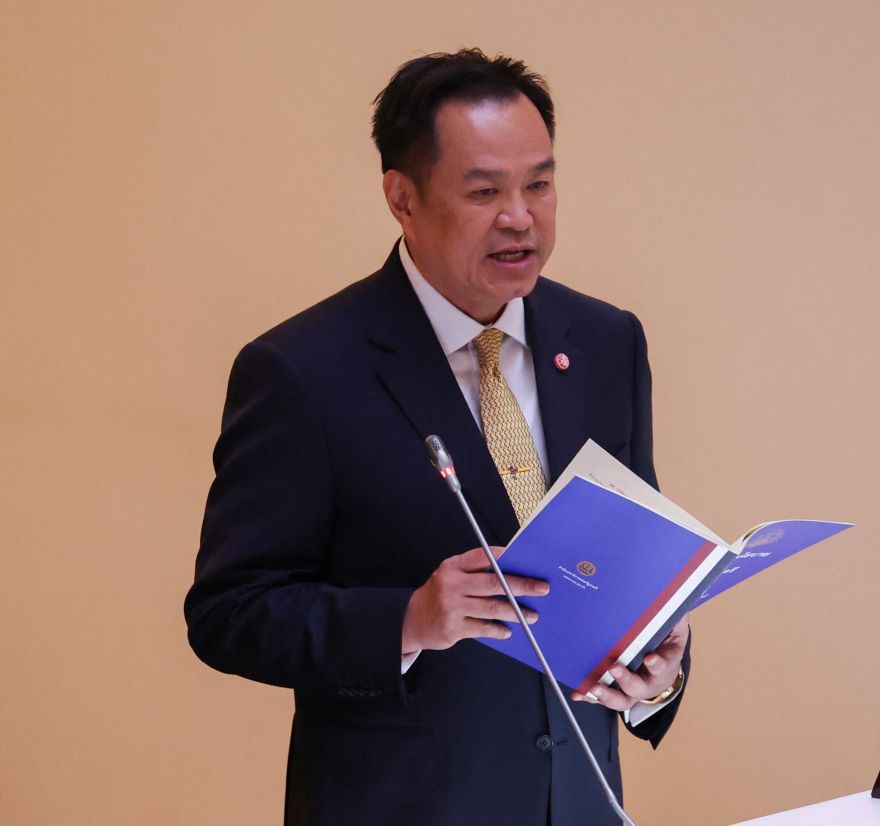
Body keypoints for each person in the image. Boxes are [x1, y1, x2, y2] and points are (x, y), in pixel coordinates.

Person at [185, 49, 689, 825]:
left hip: (580, 804)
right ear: (402, 197)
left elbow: (629, 561)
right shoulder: (303, 371)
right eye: (484, 190)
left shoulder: (605, 342)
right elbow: (230, 613)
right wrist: (410, 620)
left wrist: (657, 673)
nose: (519, 216)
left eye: (540, 184)